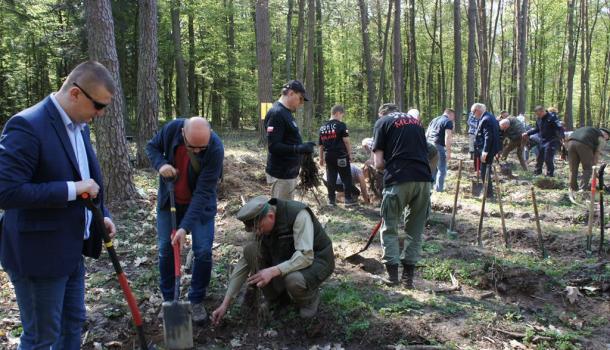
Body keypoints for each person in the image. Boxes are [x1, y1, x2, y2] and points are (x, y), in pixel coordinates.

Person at [0, 60, 116, 349]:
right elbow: (7, 191)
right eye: (98, 106)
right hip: (38, 255)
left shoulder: (80, 127)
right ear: (76, 93)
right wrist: (72, 190)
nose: (99, 114)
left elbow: (88, 181)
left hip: (71, 250)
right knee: (41, 337)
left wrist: (103, 215)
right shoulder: (27, 125)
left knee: (72, 325)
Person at [146, 116, 224, 323]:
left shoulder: (215, 148)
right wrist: (161, 164)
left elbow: (203, 192)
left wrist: (184, 228)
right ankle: (169, 300)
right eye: (193, 147)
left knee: (203, 250)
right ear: (183, 134)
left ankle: (196, 300)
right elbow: (151, 147)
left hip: (200, 205)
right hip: (169, 199)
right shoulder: (172, 129)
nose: (197, 151)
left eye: (202, 148)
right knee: (165, 248)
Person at [210, 196, 335, 324]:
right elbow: (244, 264)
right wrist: (225, 303)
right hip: (288, 257)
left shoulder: (298, 214)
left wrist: (273, 271)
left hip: (316, 260)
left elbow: (305, 256)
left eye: (259, 228)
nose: (257, 233)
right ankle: (278, 299)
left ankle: (308, 300)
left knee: (293, 280)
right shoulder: (261, 223)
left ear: (270, 216)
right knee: (251, 250)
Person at [373, 106, 431, 288]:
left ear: (382, 113)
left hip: (398, 179)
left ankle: (392, 276)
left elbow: (379, 163)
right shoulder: (417, 123)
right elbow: (430, 151)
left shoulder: (382, 122)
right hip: (423, 180)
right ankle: (408, 279)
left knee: (389, 227)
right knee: (414, 231)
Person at [264, 80, 315, 200]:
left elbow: (288, 139)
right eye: (300, 98)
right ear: (291, 93)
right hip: (281, 174)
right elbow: (274, 146)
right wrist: (298, 148)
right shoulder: (277, 113)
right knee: (281, 211)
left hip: (288, 173)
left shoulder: (286, 112)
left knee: (285, 210)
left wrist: (302, 146)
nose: (301, 103)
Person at [318, 105, 356, 206]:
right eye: (342, 115)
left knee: (331, 177)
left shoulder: (322, 127)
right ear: (337, 113)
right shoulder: (341, 125)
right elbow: (346, 141)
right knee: (346, 177)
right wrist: (350, 154)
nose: (341, 118)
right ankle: (348, 199)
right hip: (341, 155)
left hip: (329, 156)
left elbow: (321, 145)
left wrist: (321, 158)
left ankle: (331, 200)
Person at [523, 106, 564, 177]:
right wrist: (527, 133)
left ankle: (549, 175)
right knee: (539, 158)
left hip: (552, 140)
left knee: (548, 158)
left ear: (542, 111)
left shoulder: (552, 117)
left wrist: (561, 137)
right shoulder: (539, 119)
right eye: (537, 115)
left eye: (539, 114)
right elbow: (537, 129)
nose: (538, 116)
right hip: (542, 141)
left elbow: (560, 128)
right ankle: (537, 172)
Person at [566, 127, 610, 191]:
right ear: (606, 135)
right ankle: (582, 189)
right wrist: (594, 168)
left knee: (573, 168)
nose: (606, 140)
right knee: (588, 168)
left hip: (570, 142)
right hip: (584, 144)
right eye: (607, 139)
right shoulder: (601, 137)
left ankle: (573, 188)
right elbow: (597, 153)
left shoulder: (590, 131)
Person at [472, 103, 501, 198]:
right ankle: (488, 193)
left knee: (485, 171)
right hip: (489, 149)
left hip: (487, 150)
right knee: (485, 171)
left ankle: (488, 194)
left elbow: (488, 136)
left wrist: (485, 151)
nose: (473, 115)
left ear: (478, 110)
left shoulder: (486, 119)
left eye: (473, 112)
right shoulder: (489, 117)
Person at [425, 108, 455, 192]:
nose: (453, 118)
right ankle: (439, 189)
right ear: (450, 114)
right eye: (453, 116)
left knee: (432, 168)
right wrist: (448, 151)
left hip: (429, 145)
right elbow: (448, 136)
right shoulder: (448, 121)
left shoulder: (434, 119)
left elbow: (427, 133)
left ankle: (430, 187)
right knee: (442, 168)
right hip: (438, 146)